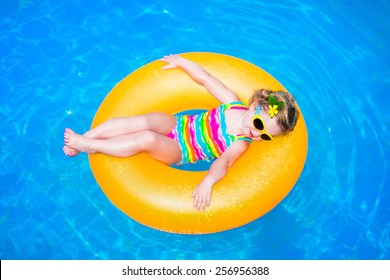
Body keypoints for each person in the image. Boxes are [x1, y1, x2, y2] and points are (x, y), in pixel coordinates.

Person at [63, 54, 299, 211]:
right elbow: (207, 80)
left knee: (147, 138)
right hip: (178, 125)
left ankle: (91, 146)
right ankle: (87, 136)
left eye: (265, 136)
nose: (257, 135)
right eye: (259, 125)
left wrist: (208, 181)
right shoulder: (232, 103)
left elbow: (224, 162)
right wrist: (183, 63)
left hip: (180, 150)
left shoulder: (241, 142)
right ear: (255, 104)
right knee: (143, 120)